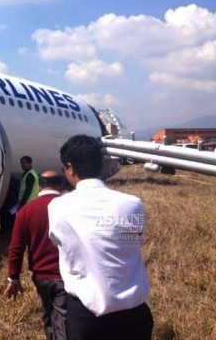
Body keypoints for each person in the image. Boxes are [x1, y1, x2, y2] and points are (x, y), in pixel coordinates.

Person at [48, 135, 153, 340]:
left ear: (69, 167)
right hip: (134, 314)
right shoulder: (132, 204)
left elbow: (57, 242)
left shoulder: (58, 207)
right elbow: (135, 242)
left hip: (86, 316)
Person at [4, 171, 68, 340]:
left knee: (49, 314)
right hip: (65, 276)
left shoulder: (26, 211)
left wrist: (13, 278)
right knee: (62, 319)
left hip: (40, 276)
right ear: (61, 185)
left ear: (39, 186)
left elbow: (16, 248)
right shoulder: (70, 206)